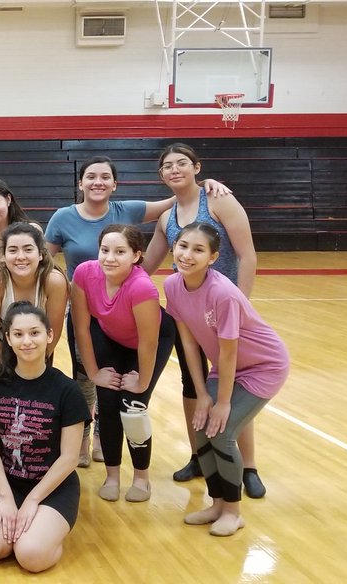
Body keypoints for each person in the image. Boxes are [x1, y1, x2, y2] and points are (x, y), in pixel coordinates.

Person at [45, 156, 232, 469]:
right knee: (85, 380)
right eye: (90, 176)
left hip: (123, 308)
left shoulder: (127, 210)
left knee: (115, 387)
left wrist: (203, 187)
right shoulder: (63, 217)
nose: (98, 182)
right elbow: (44, 258)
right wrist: (64, 286)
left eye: (106, 176)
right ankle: (83, 435)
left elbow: (175, 198)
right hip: (85, 305)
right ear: (80, 183)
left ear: (115, 184)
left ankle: (107, 437)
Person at [142, 143, 266, 498]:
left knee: (236, 385)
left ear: (197, 167)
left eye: (182, 163)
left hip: (226, 312)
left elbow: (247, 256)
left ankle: (250, 466)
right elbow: (147, 266)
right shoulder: (167, 218)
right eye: (167, 166)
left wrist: (241, 308)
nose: (175, 169)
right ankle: (199, 455)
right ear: (161, 175)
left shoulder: (219, 200)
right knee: (191, 384)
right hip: (191, 316)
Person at [164, 223, 288, 536]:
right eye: (183, 246)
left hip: (263, 367)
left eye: (198, 249)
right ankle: (217, 503)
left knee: (223, 430)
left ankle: (234, 512)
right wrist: (203, 395)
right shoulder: (172, 286)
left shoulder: (223, 294)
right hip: (224, 366)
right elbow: (189, 344)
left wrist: (221, 403)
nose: (187, 254)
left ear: (213, 257)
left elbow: (230, 352)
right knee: (201, 429)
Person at [0, 301, 87, 572]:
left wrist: (33, 500)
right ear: (8, 339)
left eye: (35, 333)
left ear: (49, 336)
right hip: (8, 483)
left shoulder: (68, 390)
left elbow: (69, 458)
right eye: (19, 334)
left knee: (30, 556)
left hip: (53, 487)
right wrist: (6, 497)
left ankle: (46, 536)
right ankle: (25, 530)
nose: (27, 341)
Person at [71, 225, 176, 502]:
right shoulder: (85, 273)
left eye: (120, 252)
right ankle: (112, 476)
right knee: (106, 403)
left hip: (148, 341)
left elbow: (148, 343)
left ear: (136, 255)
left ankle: (142, 479)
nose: (109, 258)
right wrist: (93, 373)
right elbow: (81, 328)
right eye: (105, 250)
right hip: (110, 335)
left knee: (133, 407)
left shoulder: (141, 288)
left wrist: (141, 382)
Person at [0, 223, 68, 368]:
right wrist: (8, 368)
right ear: (4, 255)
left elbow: (54, 332)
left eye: (28, 250)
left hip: (40, 347)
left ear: (40, 254)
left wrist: (35, 366)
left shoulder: (54, 281)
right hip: (1, 346)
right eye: (13, 250)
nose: (21, 257)